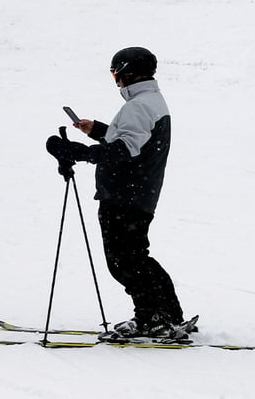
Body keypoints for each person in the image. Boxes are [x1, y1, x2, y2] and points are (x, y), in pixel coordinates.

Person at [45, 47, 187, 339]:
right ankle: (167, 314)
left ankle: (153, 319)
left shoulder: (138, 106)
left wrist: (81, 153)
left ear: (127, 71)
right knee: (137, 257)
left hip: (124, 194)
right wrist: (97, 130)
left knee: (124, 261)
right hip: (138, 193)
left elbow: (125, 149)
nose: (115, 79)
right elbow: (135, 139)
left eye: (115, 73)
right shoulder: (150, 101)